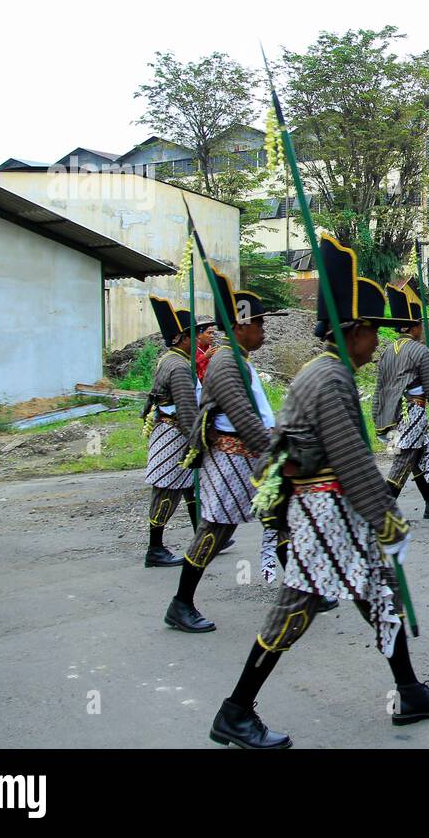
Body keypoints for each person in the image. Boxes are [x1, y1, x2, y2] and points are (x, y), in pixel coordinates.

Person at [209, 235, 429, 748]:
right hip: (324, 511)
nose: (376, 343)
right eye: (372, 331)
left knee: (379, 595)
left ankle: (409, 691)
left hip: (335, 509)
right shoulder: (328, 378)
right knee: (297, 608)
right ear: (352, 330)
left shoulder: (331, 370)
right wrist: (388, 521)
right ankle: (235, 712)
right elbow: (350, 459)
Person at [164, 271, 285, 633]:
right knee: (215, 530)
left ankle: (304, 587)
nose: (263, 331)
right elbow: (242, 416)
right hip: (235, 457)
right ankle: (180, 603)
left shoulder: (238, 358)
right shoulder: (227, 361)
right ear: (240, 326)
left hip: (247, 455)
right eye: (259, 324)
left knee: (278, 517)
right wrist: (271, 449)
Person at [142, 298, 216, 567]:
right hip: (174, 435)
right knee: (167, 492)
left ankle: (203, 537)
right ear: (181, 338)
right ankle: (155, 548)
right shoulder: (179, 366)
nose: (197, 338)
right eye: (192, 334)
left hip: (168, 430)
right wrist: (199, 440)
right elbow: (186, 410)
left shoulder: (172, 360)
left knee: (187, 489)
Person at [372, 278, 429, 518]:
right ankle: (382, 514)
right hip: (412, 412)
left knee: (419, 454)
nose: (421, 328)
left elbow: (379, 387)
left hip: (391, 413)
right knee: (403, 460)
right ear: (412, 326)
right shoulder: (420, 351)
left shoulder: (387, 351)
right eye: (419, 324)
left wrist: (377, 415)